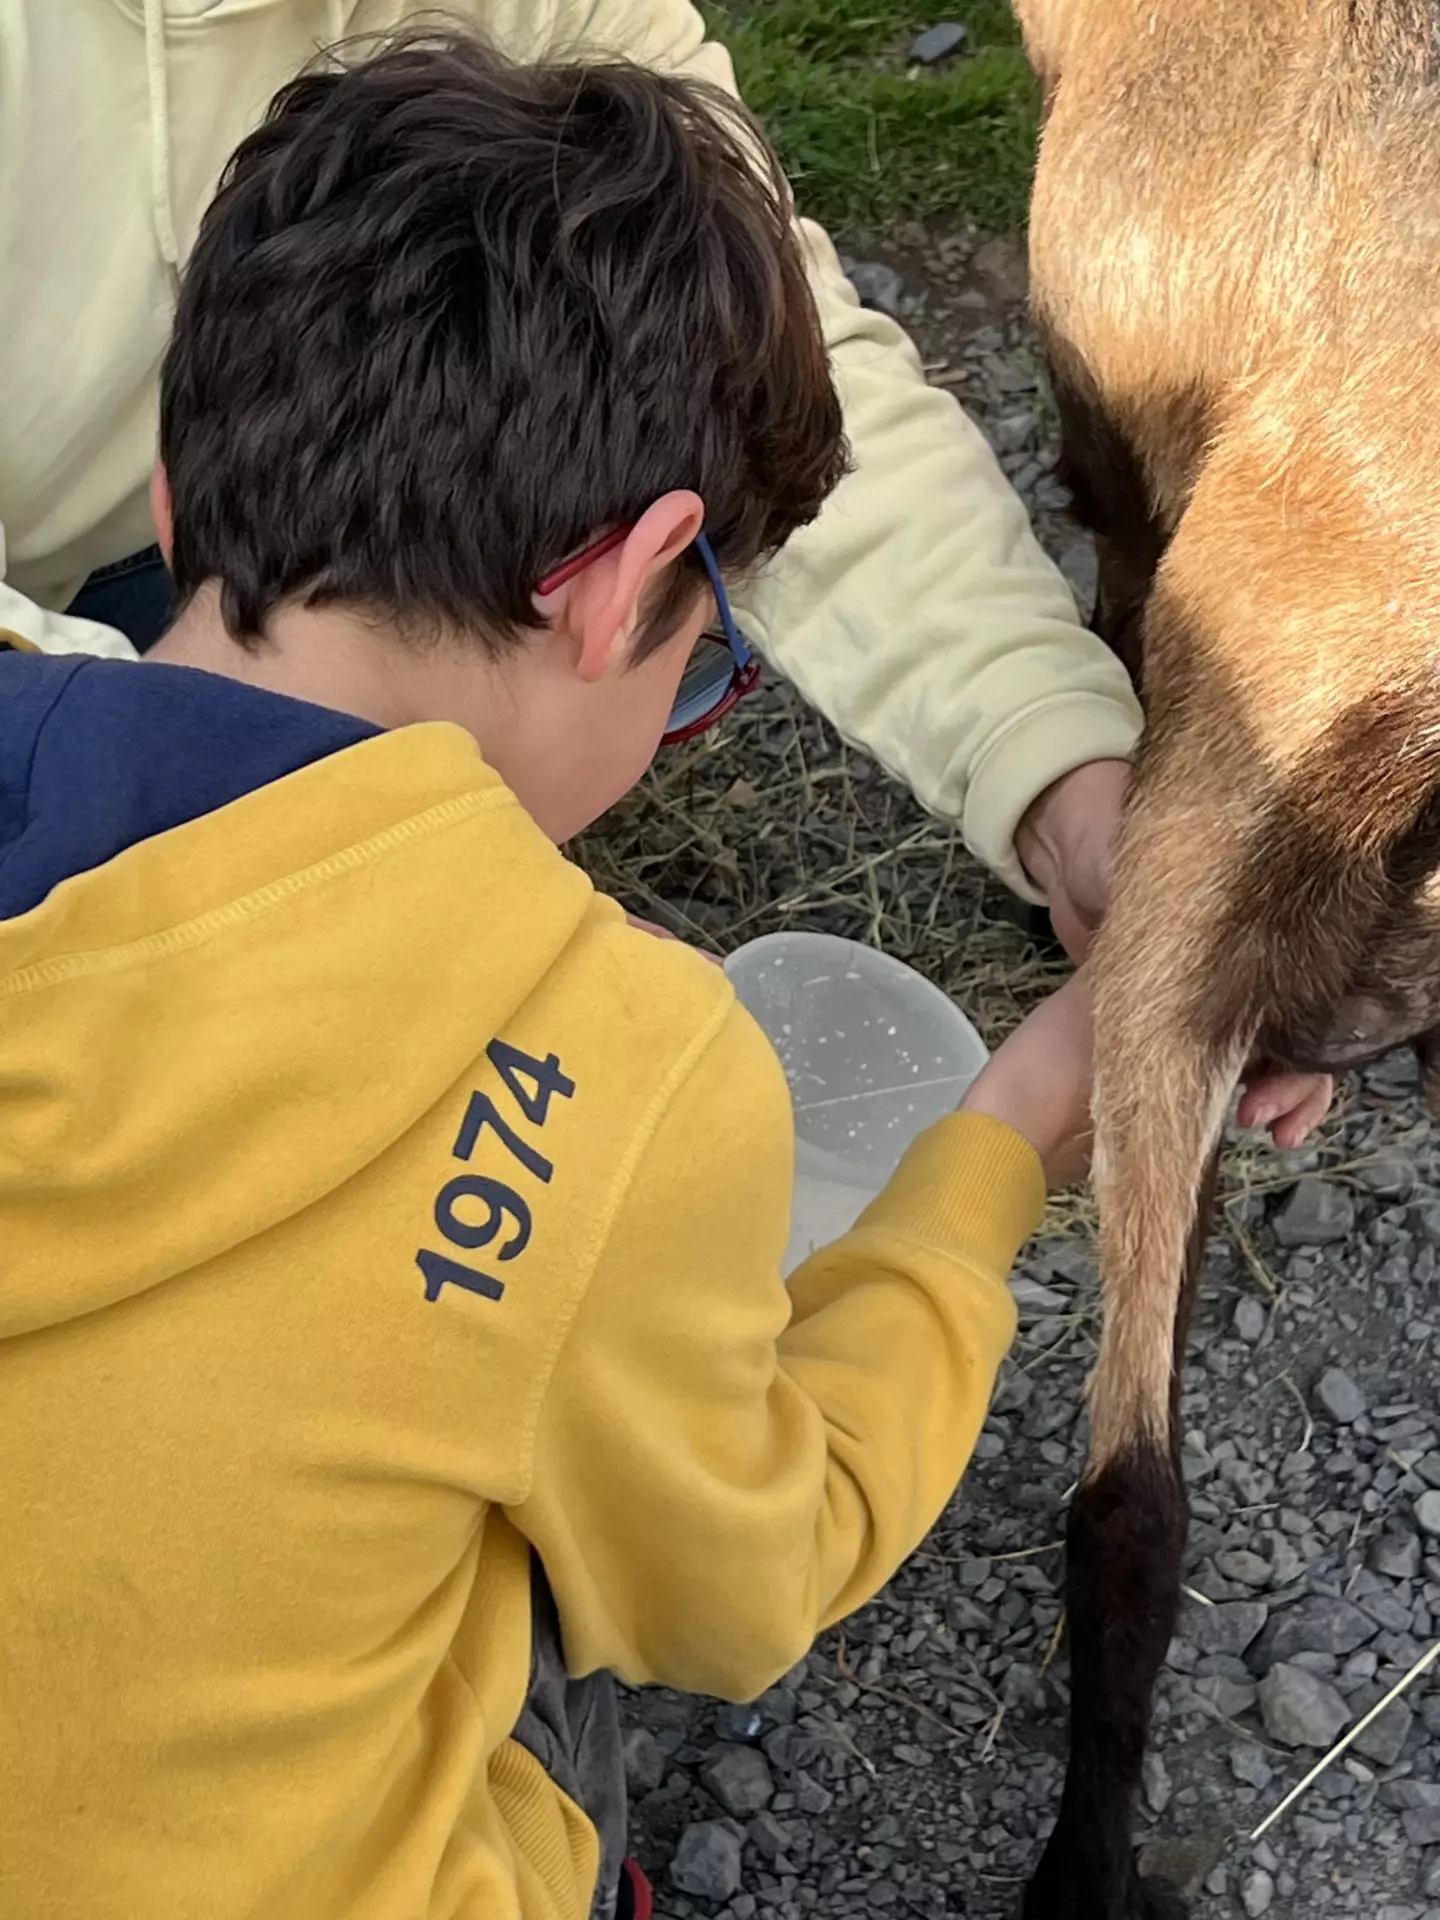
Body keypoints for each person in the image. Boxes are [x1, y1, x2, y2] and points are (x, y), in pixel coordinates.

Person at [0, 35, 1100, 1920]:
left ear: (172, 499)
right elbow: (745, 1582)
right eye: (700, 635)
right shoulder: (619, 1072)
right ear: (630, 582)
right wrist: (1001, 1147)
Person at [2, 0, 1139, 950]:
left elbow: (749, 356)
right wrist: (338, 842)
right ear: (624, 586)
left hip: (215, 536)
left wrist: (1045, 751)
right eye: (696, 651)